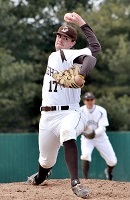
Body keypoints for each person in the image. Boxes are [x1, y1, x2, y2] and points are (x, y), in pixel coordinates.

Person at [27, 12, 101, 198]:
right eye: (59, 35)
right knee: (45, 161)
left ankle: (75, 183)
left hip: (70, 113)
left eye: (66, 37)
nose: (60, 39)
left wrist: (81, 74)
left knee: (68, 132)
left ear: (72, 43)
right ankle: (40, 177)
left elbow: (93, 54)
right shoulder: (54, 56)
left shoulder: (70, 55)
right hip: (47, 117)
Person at [80, 92, 117, 181]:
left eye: (91, 99)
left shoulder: (101, 110)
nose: (90, 101)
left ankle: (108, 171)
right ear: (84, 101)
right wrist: (85, 133)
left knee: (112, 161)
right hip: (86, 138)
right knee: (85, 155)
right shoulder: (80, 111)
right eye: (87, 100)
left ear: (94, 100)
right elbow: (79, 126)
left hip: (100, 137)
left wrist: (94, 133)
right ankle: (86, 179)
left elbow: (102, 127)